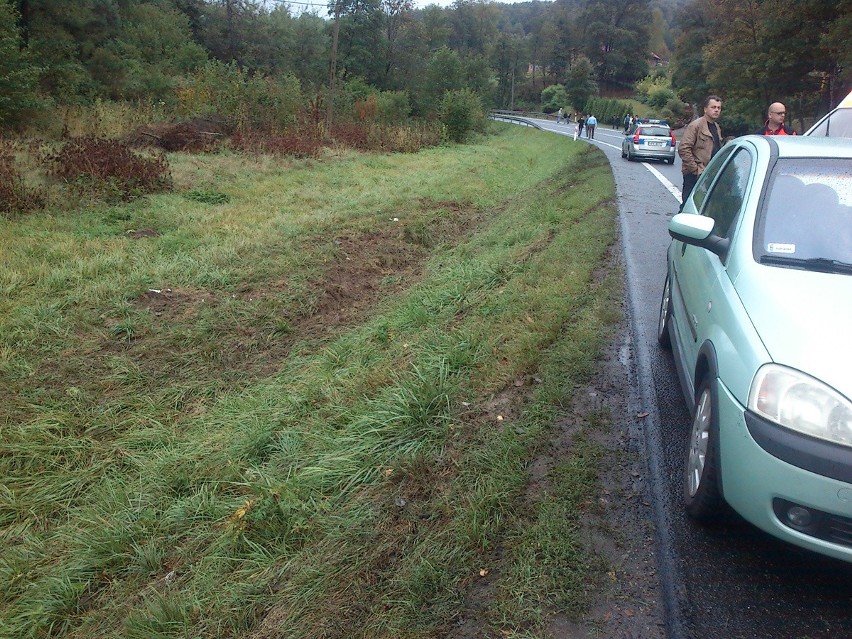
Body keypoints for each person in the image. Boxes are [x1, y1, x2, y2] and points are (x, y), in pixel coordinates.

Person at [678, 95, 723, 205]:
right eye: (713, 107)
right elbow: (684, 148)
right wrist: (695, 170)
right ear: (705, 109)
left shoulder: (716, 127)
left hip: (708, 174)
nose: (716, 110)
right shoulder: (696, 126)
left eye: (719, 108)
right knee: (688, 206)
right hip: (694, 175)